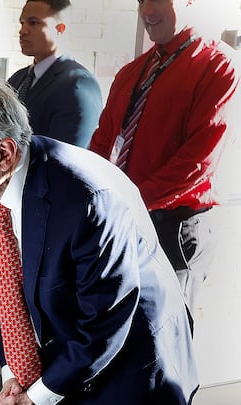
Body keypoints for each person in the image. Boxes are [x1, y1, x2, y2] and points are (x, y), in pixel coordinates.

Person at [0, 80, 198, 405]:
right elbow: (4, 286)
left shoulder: (86, 199)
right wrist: (13, 381)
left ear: (4, 153)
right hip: (64, 360)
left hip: (127, 380)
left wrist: (30, 397)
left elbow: (102, 326)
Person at [89, 0, 238, 310]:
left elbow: (197, 162)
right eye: (141, 1)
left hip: (174, 226)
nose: (146, 11)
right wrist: (95, 197)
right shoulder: (132, 72)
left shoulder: (219, 66)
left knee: (168, 334)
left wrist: (128, 201)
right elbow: (102, 142)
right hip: (124, 218)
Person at [7, 0, 102, 148]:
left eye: (33, 23)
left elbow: (67, 158)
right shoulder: (17, 79)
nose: (23, 31)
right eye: (22, 23)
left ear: (60, 29)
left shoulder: (78, 85)